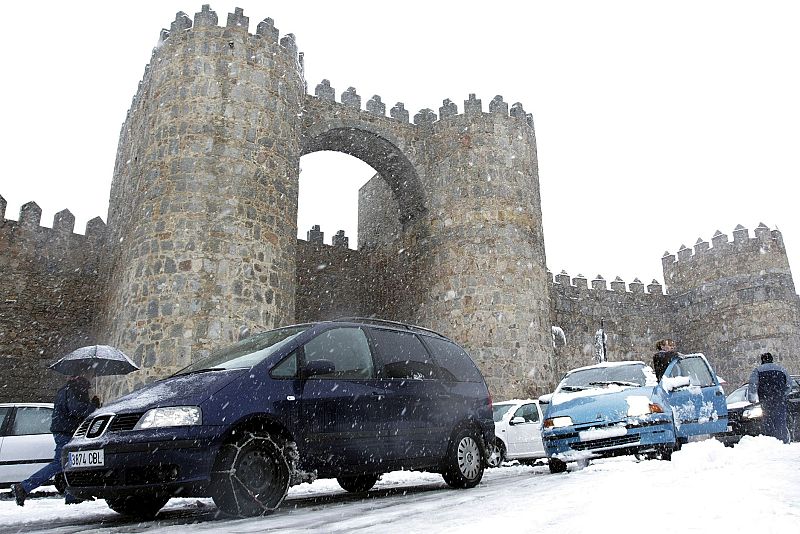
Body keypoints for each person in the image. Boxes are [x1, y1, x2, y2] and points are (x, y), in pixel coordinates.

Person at [12, 374, 100, 506]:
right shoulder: (73, 389)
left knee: (70, 463)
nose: (91, 378)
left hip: (64, 430)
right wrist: (92, 406)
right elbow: (75, 409)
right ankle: (24, 487)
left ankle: (72, 496)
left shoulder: (67, 389)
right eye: (90, 374)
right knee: (61, 463)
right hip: (67, 432)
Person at [747, 352, 792, 443]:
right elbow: (789, 385)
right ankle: (782, 440)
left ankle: (771, 441)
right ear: (772, 359)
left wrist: (752, 399)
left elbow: (753, 385)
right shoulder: (782, 369)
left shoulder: (757, 370)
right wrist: (783, 394)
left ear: (762, 360)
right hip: (780, 400)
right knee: (780, 421)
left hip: (765, 400)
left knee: (768, 421)